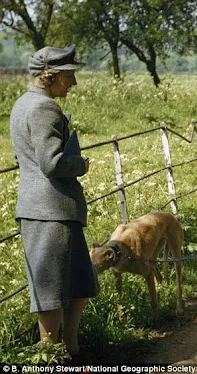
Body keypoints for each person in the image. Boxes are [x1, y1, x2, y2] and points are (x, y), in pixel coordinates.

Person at [9, 45, 98, 358]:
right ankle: (51, 357)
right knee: (50, 291)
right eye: (69, 75)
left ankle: (70, 352)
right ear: (51, 76)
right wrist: (82, 165)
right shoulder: (45, 108)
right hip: (50, 211)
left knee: (77, 283)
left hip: (50, 210)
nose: (73, 83)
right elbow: (52, 163)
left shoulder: (24, 104)